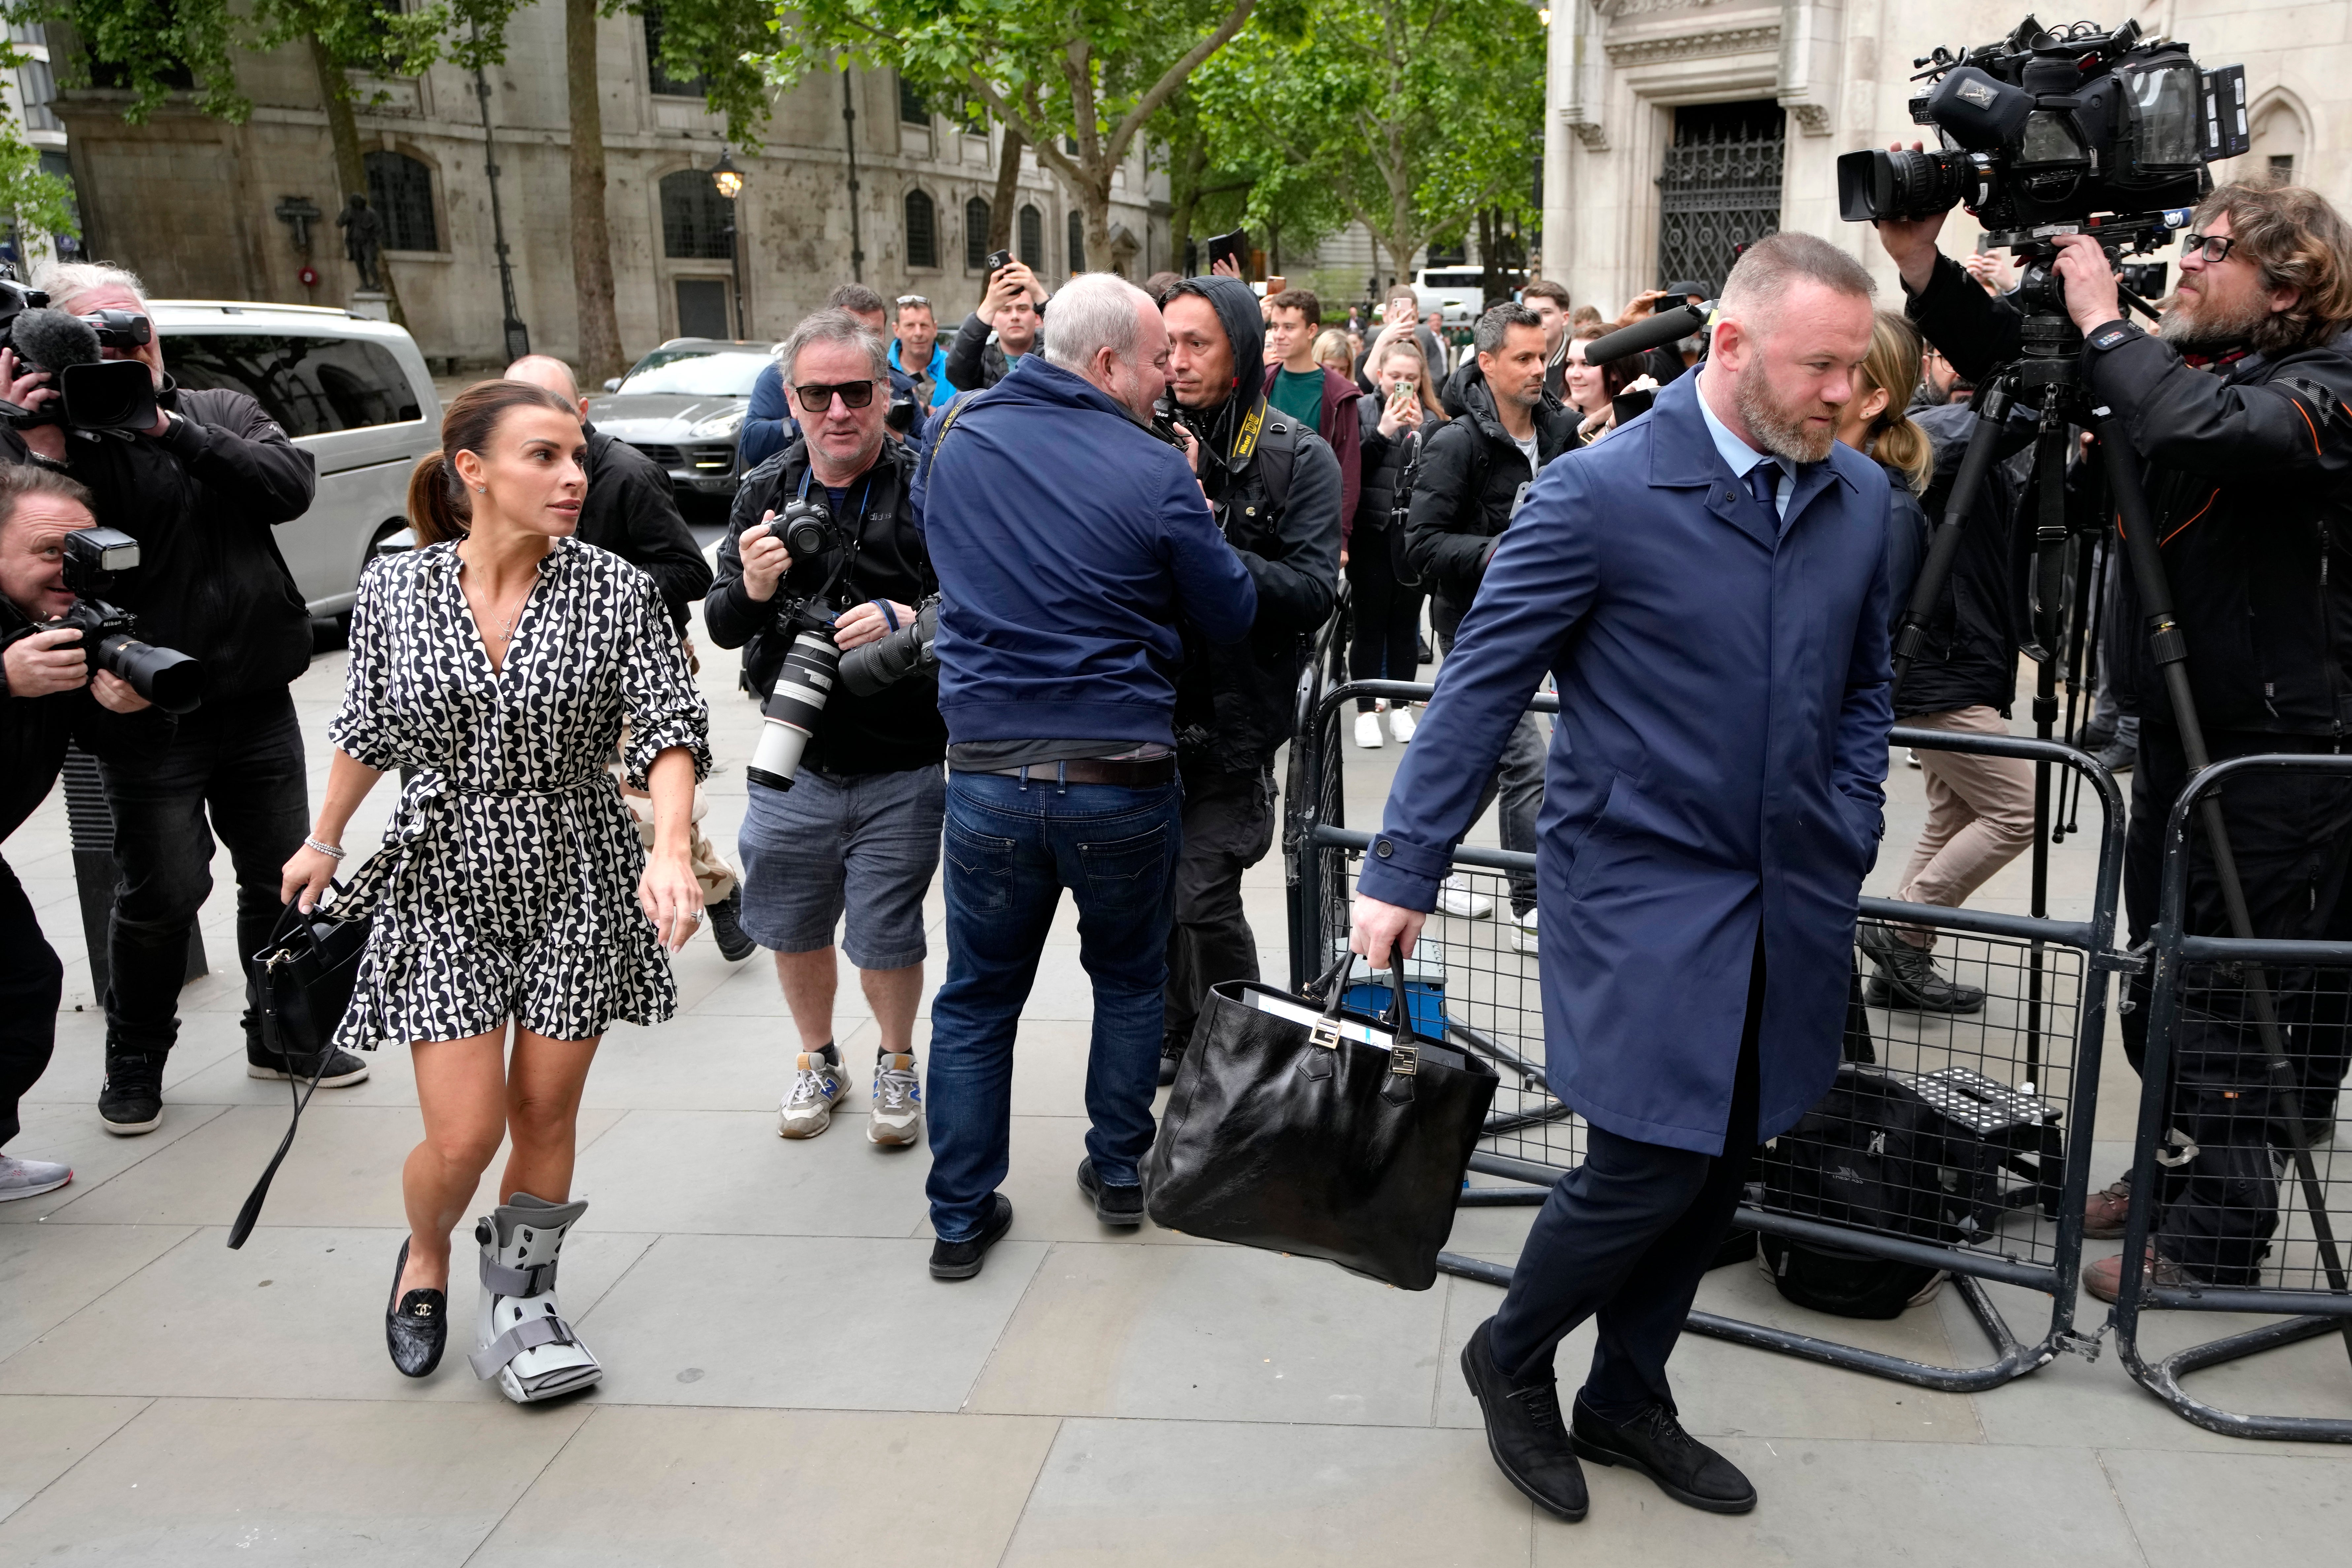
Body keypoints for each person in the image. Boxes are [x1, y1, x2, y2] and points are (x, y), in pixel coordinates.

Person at [1353, 232, 1893, 1523]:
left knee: (1720, 1165)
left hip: (1789, 890)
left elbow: (1865, 680)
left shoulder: (1865, 499)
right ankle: (1511, 1351)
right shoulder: (1593, 495)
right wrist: (1401, 864)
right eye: (1818, 367)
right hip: (1638, 896)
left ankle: (1626, 1394)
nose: (1843, 394)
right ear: (1727, 348)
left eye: (1854, 369)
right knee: (1647, 1159)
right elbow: (1479, 683)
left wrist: (1850, 816)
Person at [1881, 179, 2352, 1301]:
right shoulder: (2207, 370)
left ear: (2286, 283)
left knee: (2241, 998)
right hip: (2187, 744)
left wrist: (2105, 318)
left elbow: (2204, 432)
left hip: (2284, 756)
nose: (2184, 263)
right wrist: (1923, 266)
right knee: (2165, 984)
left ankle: (2215, 1241)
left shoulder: (2324, 382)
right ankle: (2169, 1179)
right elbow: (2033, 374)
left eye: (2212, 249)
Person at [280, 380, 708, 1400]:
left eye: (577, 457)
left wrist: (673, 847)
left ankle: (522, 1301)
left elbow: (667, 726)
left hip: (577, 866)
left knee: (545, 1109)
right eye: (545, 457)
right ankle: (425, 1247)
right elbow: (369, 723)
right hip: (443, 873)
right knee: (464, 1133)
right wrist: (324, 837)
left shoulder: (616, 589)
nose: (573, 477)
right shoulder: (398, 588)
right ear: (473, 470)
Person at [910, 273, 1256, 1278]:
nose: (1167, 377)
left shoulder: (956, 437)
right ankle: (1116, 1170)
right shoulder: (1152, 469)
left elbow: (943, 561)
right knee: (1128, 978)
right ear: (1106, 363)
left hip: (987, 774)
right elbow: (1229, 612)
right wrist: (1190, 510)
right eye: (1155, 360)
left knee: (976, 998)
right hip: (1120, 775)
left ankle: (960, 1215)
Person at [11, 260, 361, 1135]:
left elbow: (287, 487)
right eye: (99, 336)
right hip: (141, 710)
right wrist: (44, 439)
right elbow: (31, 551)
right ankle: (136, 1054)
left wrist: (162, 424)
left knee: (279, 876)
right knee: (162, 890)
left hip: (253, 695)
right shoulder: (51, 440)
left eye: (135, 327)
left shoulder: (216, 410)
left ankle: (280, 1030)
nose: (126, 344)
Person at [704, 310, 948, 1147]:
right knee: (793, 923)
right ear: (792, 398)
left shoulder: (930, 483)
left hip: (903, 758)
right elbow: (723, 624)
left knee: (887, 931)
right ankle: (817, 1056)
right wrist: (757, 588)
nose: (838, 410)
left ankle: (894, 1058)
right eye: (818, 394)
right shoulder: (764, 490)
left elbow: (980, 607)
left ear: (886, 393)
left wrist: (905, 618)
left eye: (855, 390)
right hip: (792, 758)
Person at [1155, 275, 1345, 1085]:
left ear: (1238, 349)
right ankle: (1175, 1034)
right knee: (1152, 897)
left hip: (1236, 718)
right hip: (1140, 711)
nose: (1176, 362)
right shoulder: (1137, 439)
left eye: (1196, 344)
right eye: (1165, 345)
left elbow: (1312, 591)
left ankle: (1240, 1049)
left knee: (1199, 892)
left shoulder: (1294, 454)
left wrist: (1209, 533)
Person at [501, 354, 747, 962]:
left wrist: (598, 592)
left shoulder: (628, 475)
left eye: (553, 413)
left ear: (582, 414)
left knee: (650, 809)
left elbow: (690, 571)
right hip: (549, 679)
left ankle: (716, 890)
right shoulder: (503, 481)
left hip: (639, 673)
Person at [1844, 314, 2035, 1014]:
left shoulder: (1934, 434)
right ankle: (1900, 926)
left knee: (1953, 810)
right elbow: (2003, 419)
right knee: (2016, 809)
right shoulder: (1920, 439)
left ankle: (1902, 966)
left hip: (1967, 656)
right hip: (1937, 669)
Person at [0, 466, 166, 1201]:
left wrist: (127, 707)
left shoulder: (68, 625)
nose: (67, 569)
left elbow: (117, 750)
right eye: (46, 551)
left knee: (23, 987)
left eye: (81, 549)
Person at [1402, 301, 1577, 950]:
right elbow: (1419, 545)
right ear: (1487, 362)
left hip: (1560, 623)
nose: (1540, 370)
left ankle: (1417, 855)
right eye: (1525, 358)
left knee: (1480, 762)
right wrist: (1495, 551)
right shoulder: (1456, 442)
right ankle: (1531, 902)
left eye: (1545, 356)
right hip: (1480, 625)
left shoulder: (1563, 430)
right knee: (1525, 760)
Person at [1347, 336, 1443, 750]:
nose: (1402, 385)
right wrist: (1384, 432)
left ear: (1422, 380)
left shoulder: (1435, 419)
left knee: (1406, 625)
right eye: (1395, 377)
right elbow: (1351, 471)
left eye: (1411, 377)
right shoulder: (1361, 411)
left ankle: (1403, 707)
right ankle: (1367, 710)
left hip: (1412, 536)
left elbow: (1441, 478)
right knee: (1369, 625)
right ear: (1380, 376)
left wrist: (1423, 433)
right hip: (1371, 533)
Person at [1261, 288, 1363, 534]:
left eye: (1289, 327)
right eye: (1275, 327)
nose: (1279, 336)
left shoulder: (1339, 393)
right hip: (1263, 518)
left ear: (1311, 331)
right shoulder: (1262, 382)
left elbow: (1347, 468)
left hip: (1314, 519)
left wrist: (1342, 535)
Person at [945, 259, 1048, 391]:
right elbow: (956, 372)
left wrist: (1039, 293)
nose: (1015, 317)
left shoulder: (1054, 354)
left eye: (1023, 309)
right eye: (1006, 310)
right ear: (993, 319)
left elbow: (1075, 342)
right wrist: (989, 305)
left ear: (1037, 317)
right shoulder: (982, 360)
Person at [890, 294, 955, 411]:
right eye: (910, 326)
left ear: (935, 328)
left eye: (924, 325)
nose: (918, 333)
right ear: (897, 330)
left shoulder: (955, 366)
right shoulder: (884, 372)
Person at [1521, 279, 1573, 401]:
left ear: (1565, 318)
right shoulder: (1513, 358)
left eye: (1546, 313)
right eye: (1531, 314)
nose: (1538, 320)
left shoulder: (1580, 361)